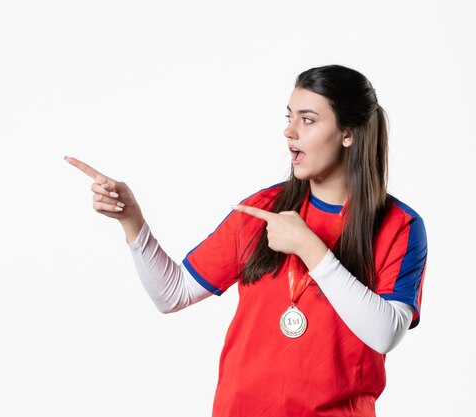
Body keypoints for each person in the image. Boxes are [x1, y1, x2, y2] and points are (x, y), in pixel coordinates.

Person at [65, 64, 428, 417]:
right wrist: (132, 220)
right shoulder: (262, 209)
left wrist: (309, 247)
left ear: (348, 133)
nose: (290, 132)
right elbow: (171, 293)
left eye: (307, 119)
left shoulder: (400, 225)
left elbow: (385, 333)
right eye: (288, 117)